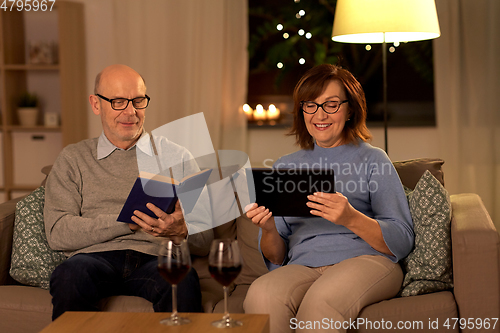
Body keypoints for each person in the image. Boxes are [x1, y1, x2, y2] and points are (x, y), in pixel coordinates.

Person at [243, 64, 414, 333]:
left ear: (350, 110)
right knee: (260, 294)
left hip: (366, 261)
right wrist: (267, 229)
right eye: (310, 105)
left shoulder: (374, 160)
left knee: (320, 303)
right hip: (303, 264)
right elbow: (276, 256)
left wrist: (350, 217)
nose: (319, 114)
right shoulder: (285, 167)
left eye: (331, 105)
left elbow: (402, 239)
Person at [44, 64, 213, 320]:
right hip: (92, 259)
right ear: (96, 104)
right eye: (118, 101)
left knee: (181, 279)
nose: (130, 112)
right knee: (69, 275)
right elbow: (58, 233)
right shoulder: (73, 158)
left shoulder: (177, 156)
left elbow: (207, 238)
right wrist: (127, 222)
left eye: (138, 101)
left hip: (156, 257)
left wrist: (183, 229)